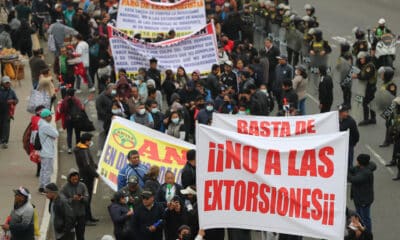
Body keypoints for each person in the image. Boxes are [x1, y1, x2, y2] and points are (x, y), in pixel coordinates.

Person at [73, 133, 99, 223]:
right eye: (90, 140)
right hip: (86, 177)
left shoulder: (81, 148)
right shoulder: (83, 150)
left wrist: (94, 165)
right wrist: (96, 174)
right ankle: (85, 218)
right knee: (86, 198)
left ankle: (89, 216)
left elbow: (89, 162)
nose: (91, 142)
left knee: (87, 198)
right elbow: (87, 165)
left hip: (85, 175)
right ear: (86, 141)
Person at [348, 154, 377, 233]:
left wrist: (347, 173)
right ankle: (361, 231)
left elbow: (352, 179)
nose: (356, 162)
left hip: (363, 200)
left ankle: (368, 234)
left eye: (357, 160)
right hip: (359, 198)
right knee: (359, 216)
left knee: (365, 218)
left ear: (360, 163)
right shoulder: (363, 167)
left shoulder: (365, 173)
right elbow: (352, 169)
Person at [61, 168, 92, 240]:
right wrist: (72, 199)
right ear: (69, 178)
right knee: (69, 236)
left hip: (81, 215)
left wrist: (82, 198)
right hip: (69, 217)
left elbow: (87, 198)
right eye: (73, 179)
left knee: (80, 236)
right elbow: (62, 201)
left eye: (76, 179)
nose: (75, 181)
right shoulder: (65, 187)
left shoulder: (82, 186)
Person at [38, 109, 59, 194]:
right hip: (47, 151)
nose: (51, 117)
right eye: (50, 115)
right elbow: (56, 134)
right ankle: (46, 188)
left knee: (43, 170)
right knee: (47, 170)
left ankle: (42, 186)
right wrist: (53, 134)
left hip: (44, 151)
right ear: (46, 117)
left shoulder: (41, 124)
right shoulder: (46, 126)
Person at [354, 52, 377, 126]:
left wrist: (357, 76)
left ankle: (366, 120)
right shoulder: (366, 65)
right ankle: (373, 119)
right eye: (360, 59)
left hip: (370, 87)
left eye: (362, 58)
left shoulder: (369, 66)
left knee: (365, 103)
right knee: (371, 102)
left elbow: (365, 77)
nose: (361, 60)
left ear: (366, 58)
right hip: (370, 86)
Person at [60, 88, 84, 154]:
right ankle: (77, 146)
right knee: (77, 133)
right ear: (73, 93)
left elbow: (61, 110)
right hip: (76, 119)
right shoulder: (77, 100)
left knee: (69, 134)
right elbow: (81, 108)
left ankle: (69, 148)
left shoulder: (64, 101)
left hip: (68, 119)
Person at [378, 67, 397, 147]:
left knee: (389, 123)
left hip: (390, 106)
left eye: (383, 74)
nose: (381, 75)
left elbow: (391, 96)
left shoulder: (391, 85)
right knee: (389, 123)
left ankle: (387, 141)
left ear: (387, 75)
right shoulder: (385, 83)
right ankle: (392, 138)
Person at [95, 83, 114, 156]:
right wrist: (106, 115)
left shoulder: (112, 96)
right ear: (108, 89)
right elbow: (99, 108)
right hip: (102, 118)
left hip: (110, 118)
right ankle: (100, 149)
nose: (113, 91)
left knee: (109, 133)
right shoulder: (100, 97)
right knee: (102, 132)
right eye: (112, 89)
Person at [339, 104, 360, 170]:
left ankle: (349, 173)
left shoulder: (350, 121)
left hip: (348, 144)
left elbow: (356, 134)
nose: (343, 114)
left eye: (344, 112)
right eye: (341, 112)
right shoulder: (339, 119)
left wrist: (353, 143)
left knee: (348, 160)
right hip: (341, 143)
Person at [0, 76, 18, 149]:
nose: (8, 84)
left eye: (8, 83)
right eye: (6, 83)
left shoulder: (11, 92)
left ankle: (5, 141)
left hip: (7, 112)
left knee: (6, 127)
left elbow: (16, 100)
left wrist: (13, 101)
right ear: (2, 83)